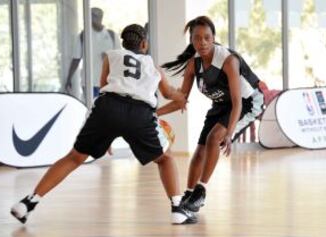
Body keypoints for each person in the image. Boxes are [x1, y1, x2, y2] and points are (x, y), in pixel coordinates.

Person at [11, 24, 197, 225]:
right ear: (144, 44)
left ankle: (28, 203)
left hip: (108, 108)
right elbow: (169, 93)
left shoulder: (111, 56)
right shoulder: (152, 65)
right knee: (166, 159)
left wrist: (106, 134)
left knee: (74, 157)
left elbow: (103, 87)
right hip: (139, 113)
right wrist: (180, 96)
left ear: (123, 43)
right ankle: (178, 209)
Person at [157, 16, 264, 213]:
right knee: (200, 150)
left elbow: (237, 101)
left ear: (213, 38)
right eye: (197, 38)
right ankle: (188, 195)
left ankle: (201, 191)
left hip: (248, 102)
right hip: (221, 104)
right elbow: (181, 100)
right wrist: (154, 113)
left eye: (207, 37)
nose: (203, 42)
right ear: (192, 40)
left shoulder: (228, 61)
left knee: (214, 137)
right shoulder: (193, 65)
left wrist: (230, 133)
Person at [65, 7, 122, 98]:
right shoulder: (83, 35)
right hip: (88, 83)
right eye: (91, 16)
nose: (92, 19)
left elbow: (120, 59)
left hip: (108, 82)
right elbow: (76, 59)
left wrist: (109, 58)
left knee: (106, 110)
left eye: (94, 16)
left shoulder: (112, 35)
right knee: (92, 109)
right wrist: (69, 78)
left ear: (101, 18)